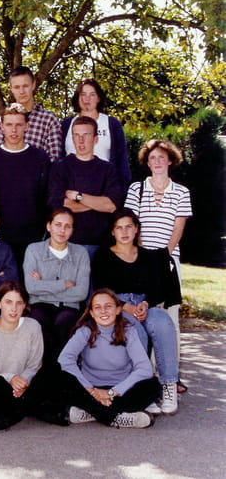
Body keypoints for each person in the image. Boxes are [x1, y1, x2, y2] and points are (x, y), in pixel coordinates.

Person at [91, 209, 180, 414]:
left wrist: (146, 304)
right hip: (117, 306)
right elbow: (101, 288)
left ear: (136, 229)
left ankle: (169, 385)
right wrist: (123, 306)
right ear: (112, 231)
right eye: (119, 228)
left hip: (144, 304)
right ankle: (143, 390)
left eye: (128, 227)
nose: (124, 232)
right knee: (136, 331)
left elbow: (156, 289)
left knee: (163, 322)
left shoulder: (147, 256)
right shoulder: (103, 256)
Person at [124, 139, 192, 383]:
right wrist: (144, 257)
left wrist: (163, 257)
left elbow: (178, 228)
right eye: (152, 158)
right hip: (141, 262)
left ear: (170, 160)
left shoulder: (181, 192)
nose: (157, 162)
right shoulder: (136, 189)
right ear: (147, 162)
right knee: (143, 318)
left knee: (169, 320)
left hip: (168, 263)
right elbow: (132, 225)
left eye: (162, 157)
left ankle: (170, 377)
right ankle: (146, 375)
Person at [56, 289, 160, 429]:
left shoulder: (129, 331)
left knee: (153, 385)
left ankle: (92, 412)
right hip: (90, 388)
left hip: (120, 390)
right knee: (60, 378)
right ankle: (117, 418)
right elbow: (65, 359)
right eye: (97, 307)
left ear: (118, 310)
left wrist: (111, 392)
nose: (103, 311)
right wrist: (91, 390)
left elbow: (144, 368)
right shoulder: (85, 330)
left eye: (108, 306)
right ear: (92, 313)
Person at [0, 102, 51, 269]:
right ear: (1, 126)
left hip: (32, 237)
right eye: (9, 125)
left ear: (27, 126)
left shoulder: (40, 158)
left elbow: (46, 197)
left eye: (19, 125)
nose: (14, 130)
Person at [48, 115, 124, 258]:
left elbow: (111, 206)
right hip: (67, 244)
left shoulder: (108, 169)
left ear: (95, 139)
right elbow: (58, 205)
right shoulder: (60, 167)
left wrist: (78, 197)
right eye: (77, 135)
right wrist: (97, 202)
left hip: (100, 245)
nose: (81, 140)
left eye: (86, 135)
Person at [23, 208, 90, 363]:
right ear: (49, 226)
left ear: (72, 230)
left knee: (64, 321)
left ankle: (62, 369)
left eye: (68, 226)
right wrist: (63, 284)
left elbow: (81, 292)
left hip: (69, 306)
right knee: (39, 320)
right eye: (58, 225)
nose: (62, 230)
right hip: (39, 305)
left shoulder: (80, 253)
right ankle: (43, 370)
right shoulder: (34, 250)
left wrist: (43, 285)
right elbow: (31, 287)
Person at [0, 281, 43, 432]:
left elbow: (34, 365)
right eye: (8, 302)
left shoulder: (33, 327)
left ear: (24, 305)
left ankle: (6, 417)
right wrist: (11, 378)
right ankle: (16, 414)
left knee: (49, 373)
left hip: (25, 385)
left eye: (19, 303)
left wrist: (22, 382)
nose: (14, 308)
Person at [61, 78, 131, 185]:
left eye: (92, 95)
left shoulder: (112, 124)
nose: (87, 99)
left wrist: (119, 188)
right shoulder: (66, 124)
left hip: (104, 186)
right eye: (83, 94)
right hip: (71, 185)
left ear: (98, 98)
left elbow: (122, 161)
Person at [0, 66, 62, 162]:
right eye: (17, 87)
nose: (21, 91)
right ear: (11, 88)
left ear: (33, 85)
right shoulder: (2, 121)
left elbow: (53, 160)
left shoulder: (49, 120)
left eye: (25, 86)